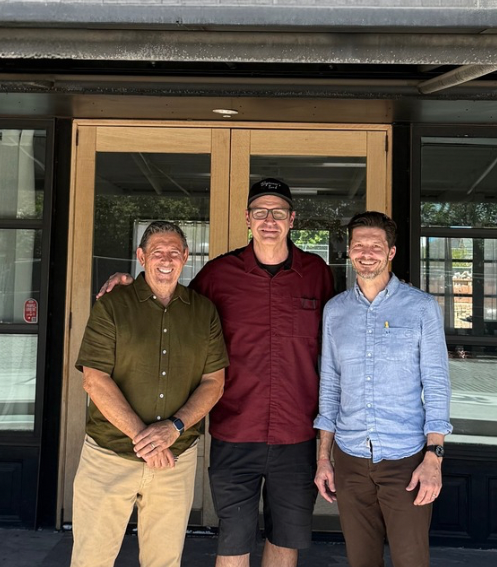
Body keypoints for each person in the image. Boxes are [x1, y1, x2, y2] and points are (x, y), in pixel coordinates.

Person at [97, 178, 334, 567]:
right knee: (233, 537)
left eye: (278, 212)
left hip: (297, 433)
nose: (269, 220)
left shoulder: (317, 273)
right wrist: (130, 284)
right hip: (234, 430)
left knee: (286, 536)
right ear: (247, 218)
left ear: (292, 219)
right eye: (260, 211)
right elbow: (172, 303)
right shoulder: (219, 274)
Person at [72, 220, 228, 567]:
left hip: (175, 459)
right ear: (141, 256)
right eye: (158, 252)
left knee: (164, 561)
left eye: (175, 251)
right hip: (109, 456)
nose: (167, 259)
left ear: (186, 256)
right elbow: (95, 380)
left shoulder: (203, 312)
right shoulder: (112, 305)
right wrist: (144, 437)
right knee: (91, 559)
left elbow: (213, 383)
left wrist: (172, 428)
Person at [312, 211, 451, 567]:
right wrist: (323, 458)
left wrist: (433, 458)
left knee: (411, 560)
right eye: (359, 245)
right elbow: (329, 386)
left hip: (406, 460)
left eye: (376, 245)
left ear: (391, 252)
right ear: (349, 251)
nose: (366, 252)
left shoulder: (421, 308)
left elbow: (436, 384)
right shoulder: (335, 311)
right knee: (361, 560)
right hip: (350, 459)